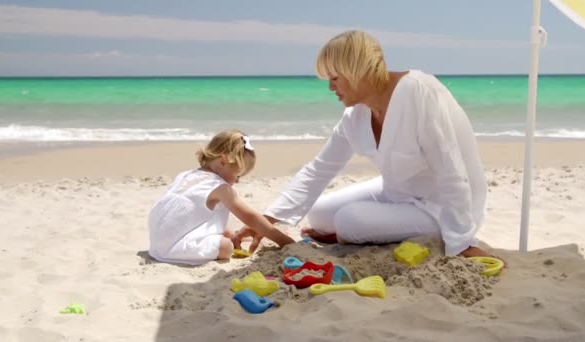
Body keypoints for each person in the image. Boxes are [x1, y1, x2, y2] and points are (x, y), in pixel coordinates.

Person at [233, 30, 494, 259]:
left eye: (334, 78)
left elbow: (451, 170)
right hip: (398, 192)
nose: (330, 88)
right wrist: (267, 219)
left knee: (349, 220)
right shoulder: (355, 115)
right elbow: (319, 170)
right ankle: (362, 233)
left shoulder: (418, 91)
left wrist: (462, 242)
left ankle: (360, 233)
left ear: (355, 71)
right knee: (320, 214)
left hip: (442, 206)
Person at [148, 129, 294, 265]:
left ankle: (243, 236)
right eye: (238, 175)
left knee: (227, 232)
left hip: (157, 242)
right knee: (226, 247)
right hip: (174, 248)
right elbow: (250, 217)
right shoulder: (221, 188)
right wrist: (283, 241)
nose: (237, 181)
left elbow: (194, 214)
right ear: (223, 161)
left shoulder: (186, 175)